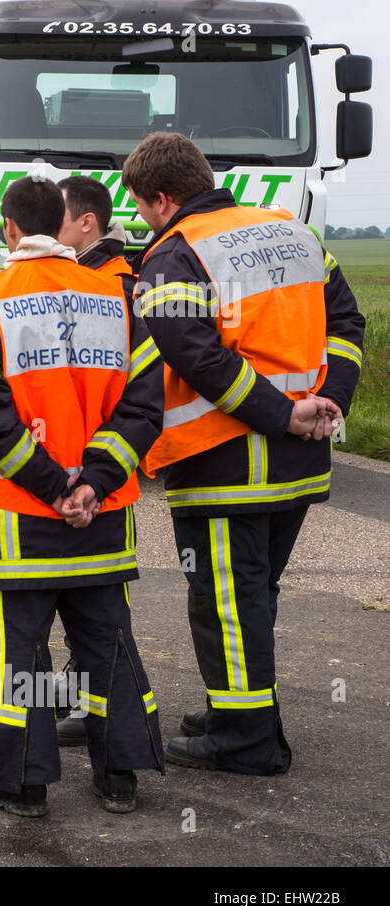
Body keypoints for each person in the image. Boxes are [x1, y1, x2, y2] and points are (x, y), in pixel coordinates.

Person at [124, 133, 365, 775]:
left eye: (144, 208)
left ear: (166, 197)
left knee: (225, 600)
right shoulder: (294, 232)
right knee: (252, 593)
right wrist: (329, 401)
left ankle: (248, 742)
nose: (144, 220)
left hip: (225, 459)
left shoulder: (175, 254)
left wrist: (280, 414)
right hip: (302, 457)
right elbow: (346, 323)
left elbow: (193, 353)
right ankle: (237, 709)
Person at [0, 175, 166, 816]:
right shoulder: (121, 297)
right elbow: (143, 408)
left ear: (10, 230)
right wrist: (93, 482)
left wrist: (53, 486)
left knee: (21, 654)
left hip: (18, 518)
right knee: (108, 641)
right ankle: (120, 775)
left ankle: (23, 784)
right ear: (66, 221)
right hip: (102, 516)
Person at [53, 175, 141, 747]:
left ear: (89, 223)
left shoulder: (112, 285)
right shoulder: (100, 278)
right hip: (102, 470)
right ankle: (94, 709)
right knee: (97, 607)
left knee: (103, 612)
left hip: (96, 472)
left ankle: (97, 713)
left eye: (59, 215)